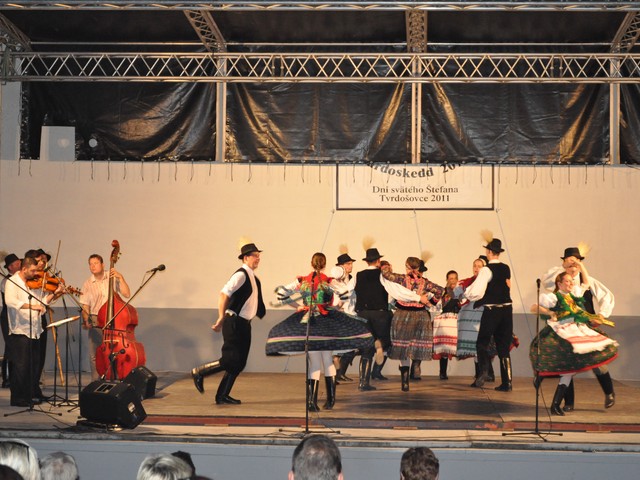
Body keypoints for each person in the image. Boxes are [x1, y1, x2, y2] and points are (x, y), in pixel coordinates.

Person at [267, 252, 374, 411]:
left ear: (312, 263)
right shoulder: (328, 281)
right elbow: (346, 293)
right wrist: (336, 306)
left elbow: (281, 294)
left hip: (309, 322)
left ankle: (312, 402)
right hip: (326, 323)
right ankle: (330, 400)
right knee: (327, 361)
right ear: (324, 264)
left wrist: (299, 307)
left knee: (315, 364)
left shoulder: (302, 281)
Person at [530, 271, 618, 415]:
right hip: (563, 334)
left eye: (572, 281)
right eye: (567, 281)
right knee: (565, 368)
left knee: (570, 370)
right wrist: (549, 313)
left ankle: (554, 402)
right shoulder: (554, 297)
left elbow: (586, 283)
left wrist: (579, 264)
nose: (571, 283)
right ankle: (550, 392)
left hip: (577, 332)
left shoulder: (575, 295)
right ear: (559, 284)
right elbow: (534, 307)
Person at [191, 242, 266, 405]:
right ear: (245, 258)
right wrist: (221, 317)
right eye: (255, 256)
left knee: (239, 363)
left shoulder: (252, 277)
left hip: (244, 324)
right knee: (230, 359)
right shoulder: (241, 275)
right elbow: (224, 294)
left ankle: (222, 395)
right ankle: (200, 372)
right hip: (234, 322)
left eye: (259, 256)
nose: (258, 258)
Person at [354, 247, 431, 391]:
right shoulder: (382, 276)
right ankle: (380, 345)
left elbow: (348, 292)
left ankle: (363, 383)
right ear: (378, 261)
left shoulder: (358, 275)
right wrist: (418, 297)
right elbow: (398, 292)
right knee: (389, 341)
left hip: (362, 314)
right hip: (380, 314)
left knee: (366, 350)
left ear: (367, 261)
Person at [4, 257, 64, 406]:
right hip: (20, 330)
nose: (35, 273)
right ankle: (18, 398)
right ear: (24, 269)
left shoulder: (31, 284)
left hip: (35, 329)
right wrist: (31, 306)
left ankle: (28, 395)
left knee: (32, 365)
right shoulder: (12, 282)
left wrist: (55, 293)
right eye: (32, 270)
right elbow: (10, 301)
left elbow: (41, 303)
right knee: (21, 366)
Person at [383, 256, 444, 391]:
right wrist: (430, 303)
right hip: (420, 316)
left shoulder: (402, 279)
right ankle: (415, 369)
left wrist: (386, 266)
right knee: (415, 346)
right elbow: (440, 290)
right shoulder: (426, 283)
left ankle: (405, 382)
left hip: (403, 315)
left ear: (407, 266)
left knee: (403, 349)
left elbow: (386, 274)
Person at [464, 237, 514, 391]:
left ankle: (484, 371)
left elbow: (477, 291)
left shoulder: (486, 270)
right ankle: (507, 382)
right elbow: (507, 286)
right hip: (507, 310)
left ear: (489, 252)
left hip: (493, 310)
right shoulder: (506, 268)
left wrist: (467, 294)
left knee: (481, 343)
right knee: (503, 347)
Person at [79, 253, 131, 381]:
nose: (93, 266)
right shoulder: (88, 283)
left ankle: (117, 378)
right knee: (95, 353)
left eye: (96, 263)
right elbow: (85, 306)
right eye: (90, 264)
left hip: (114, 319)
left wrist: (121, 278)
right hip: (96, 318)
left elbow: (126, 294)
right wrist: (86, 319)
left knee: (116, 351)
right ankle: (96, 382)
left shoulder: (112, 277)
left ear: (103, 264)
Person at [329, 252, 358, 383]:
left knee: (351, 347)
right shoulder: (334, 281)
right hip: (339, 313)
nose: (350, 266)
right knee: (337, 348)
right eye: (348, 264)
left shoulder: (352, 279)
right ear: (340, 266)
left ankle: (340, 373)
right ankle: (334, 375)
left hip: (350, 314)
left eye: (351, 263)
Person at [1, 253, 21, 388]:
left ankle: (18, 377)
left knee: (17, 346)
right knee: (10, 346)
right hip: (7, 316)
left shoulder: (19, 280)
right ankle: (7, 378)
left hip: (17, 316)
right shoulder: (6, 281)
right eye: (17, 264)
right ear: (10, 267)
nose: (20, 265)